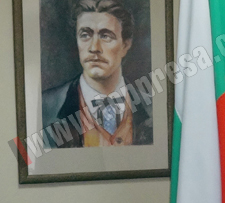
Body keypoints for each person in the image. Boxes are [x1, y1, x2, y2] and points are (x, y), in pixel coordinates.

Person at [41, 0, 152, 148]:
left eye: (106, 36)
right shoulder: (46, 107)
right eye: (85, 35)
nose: (94, 48)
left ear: (125, 45)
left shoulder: (152, 107)